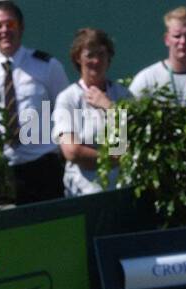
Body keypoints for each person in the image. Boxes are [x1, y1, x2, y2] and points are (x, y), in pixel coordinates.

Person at [0, 2, 67, 204]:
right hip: (1, 172)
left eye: (10, 24)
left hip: (44, 169)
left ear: (21, 26)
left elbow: (66, 114)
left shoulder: (47, 66)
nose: (4, 31)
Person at [53, 29, 130, 197]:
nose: (96, 61)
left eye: (101, 54)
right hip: (84, 195)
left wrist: (110, 108)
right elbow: (72, 151)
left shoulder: (123, 95)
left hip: (123, 191)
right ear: (77, 58)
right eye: (89, 55)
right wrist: (115, 159)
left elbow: (132, 143)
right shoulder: (67, 98)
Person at [130, 6, 186, 106]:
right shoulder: (148, 79)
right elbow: (123, 118)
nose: (183, 42)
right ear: (167, 39)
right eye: (177, 36)